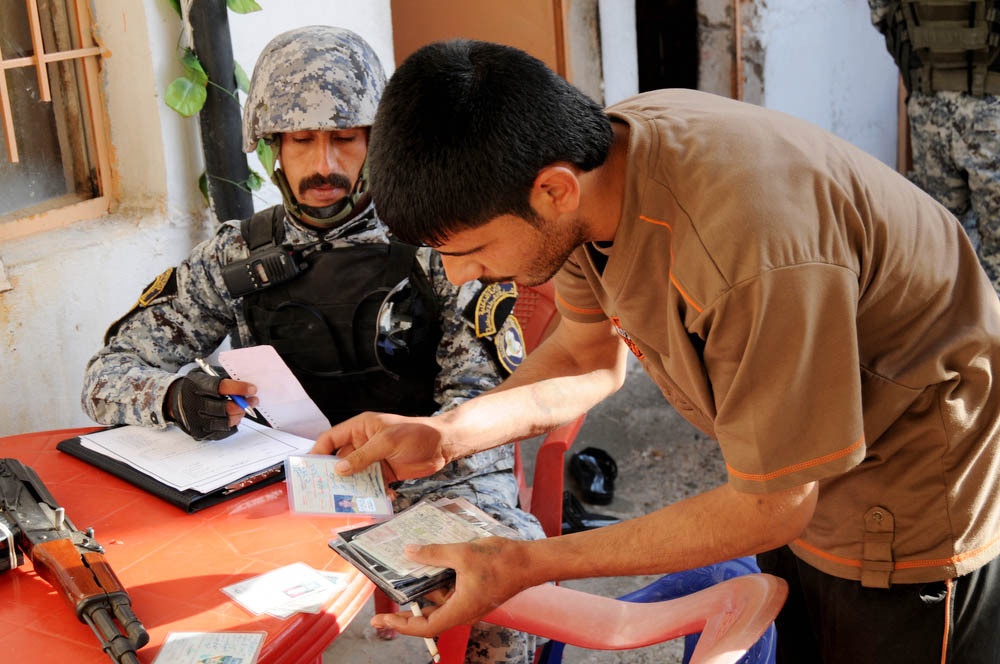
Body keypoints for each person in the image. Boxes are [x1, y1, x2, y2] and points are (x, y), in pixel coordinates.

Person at [312, 39, 1000, 663]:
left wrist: (523, 563)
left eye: (471, 251)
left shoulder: (748, 250)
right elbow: (586, 357)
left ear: (552, 190)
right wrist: (447, 433)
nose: (461, 276)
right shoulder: (590, 175)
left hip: (909, 491)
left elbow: (773, 504)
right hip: (804, 463)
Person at [81, 27, 542, 664]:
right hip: (278, 493)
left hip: (430, 484)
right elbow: (107, 372)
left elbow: (485, 399)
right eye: (301, 140)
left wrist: (412, 457)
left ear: (377, 143)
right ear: (272, 148)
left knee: (501, 587)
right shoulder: (235, 254)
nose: (323, 164)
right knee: (187, 621)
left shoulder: (443, 238)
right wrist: (176, 396)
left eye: (344, 139)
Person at [868, 0, 1000, 291]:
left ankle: (952, 330)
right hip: (992, 113)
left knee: (941, 245)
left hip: (929, 110)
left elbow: (883, 16)